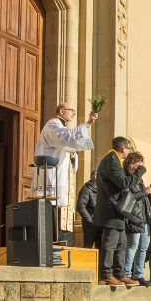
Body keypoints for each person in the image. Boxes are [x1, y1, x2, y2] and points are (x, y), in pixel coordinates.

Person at [32, 102, 97, 245]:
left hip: (63, 178)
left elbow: (72, 144)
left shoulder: (62, 128)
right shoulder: (53, 125)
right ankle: (53, 244)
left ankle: (64, 243)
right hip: (52, 179)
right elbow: (66, 138)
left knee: (62, 210)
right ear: (61, 111)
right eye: (71, 110)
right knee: (52, 211)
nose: (73, 113)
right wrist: (87, 124)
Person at [94, 136, 144, 286]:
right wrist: (140, 171)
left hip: (117, 210)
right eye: (128, 147)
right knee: (110, 242)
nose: (129, 150)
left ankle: (119, 274)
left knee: (122, 244)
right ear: (123, 148)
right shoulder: (111, 160)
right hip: (110, 209)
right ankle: (106, 274)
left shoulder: (116, 160)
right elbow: (124, 183)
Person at [121, 152, 151, 286]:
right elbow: (131, 197)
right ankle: (126, 273)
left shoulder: (139, 179)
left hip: (143, 217)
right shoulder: (128, 177)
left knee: (143, 247)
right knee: (132, 245)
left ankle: (138, 274)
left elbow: (141, 197)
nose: (141, 166)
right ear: (132, 164)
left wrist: (148, 192)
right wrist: (146, 192)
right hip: (134, 216)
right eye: (139, 163)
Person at [77, 170, 101, 249]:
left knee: (100, 247)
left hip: (100, 223)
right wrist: (90, 220)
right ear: (94, 177)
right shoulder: (87, 189)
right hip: (90, 224)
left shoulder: (101, 189)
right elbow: (80, 206)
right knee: (88, 246)